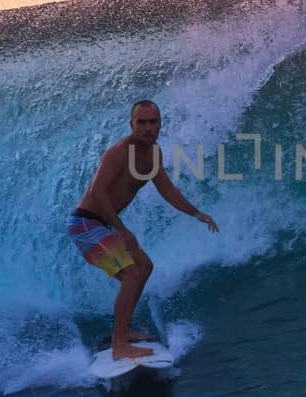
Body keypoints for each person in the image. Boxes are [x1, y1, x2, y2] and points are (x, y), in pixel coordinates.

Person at [68, 100, 219, 359]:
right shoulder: (119, 153)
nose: (148, 128)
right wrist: (122, 230)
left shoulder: (153, 155)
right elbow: (98, 193)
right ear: (132, 124)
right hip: (85, 223)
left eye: (153, 122)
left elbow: (168, 191)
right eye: (142, 122)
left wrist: (197, 213)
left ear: (160, 123)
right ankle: (119, 345)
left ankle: (124, 331)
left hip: (101, 225)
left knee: (144, 268)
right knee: (131, 275)